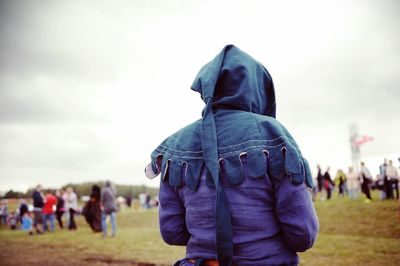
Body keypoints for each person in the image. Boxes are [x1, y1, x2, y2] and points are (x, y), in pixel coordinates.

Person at [145, 45, 319, 266]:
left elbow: (172, 232)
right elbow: (303, 234)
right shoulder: (273, 134)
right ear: (257, 88)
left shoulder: (173, 147)